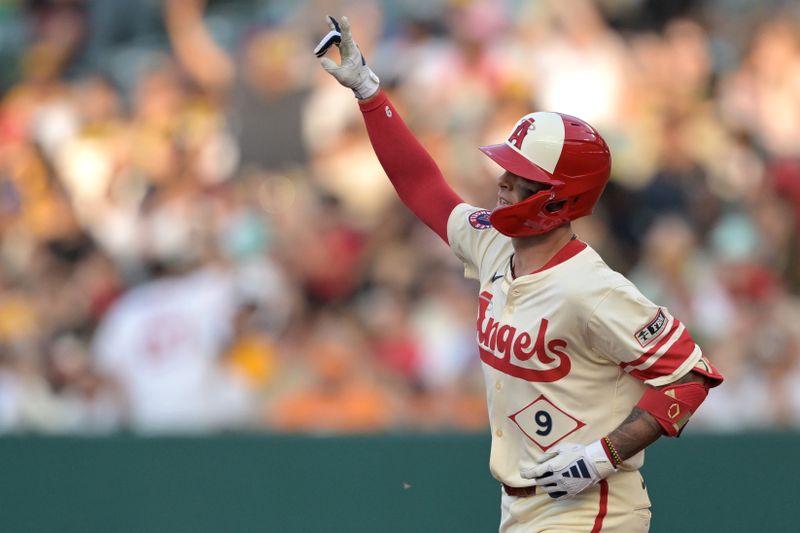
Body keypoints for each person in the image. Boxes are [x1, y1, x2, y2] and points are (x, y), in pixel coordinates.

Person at [315, 16, 723, 532]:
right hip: (522, 506)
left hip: (592, 510)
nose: (503, 181)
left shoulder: (591, 289)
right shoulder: (493, 242)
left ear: (558, 197)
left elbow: (690, 376)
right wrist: (371, 94)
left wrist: (604, 454)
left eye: (522, 177)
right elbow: (422, 186)